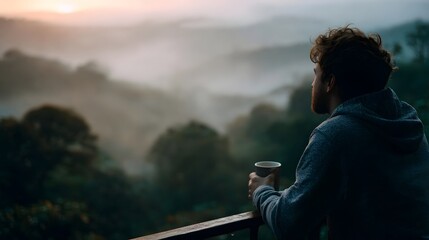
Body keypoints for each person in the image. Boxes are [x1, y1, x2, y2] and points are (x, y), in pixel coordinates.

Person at [248, 26, 429, 240]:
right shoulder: (407, 122)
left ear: (330, 82)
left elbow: (288, 222)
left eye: (316, 75)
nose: (313, 83)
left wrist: (262, 192)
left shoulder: (335, 135)